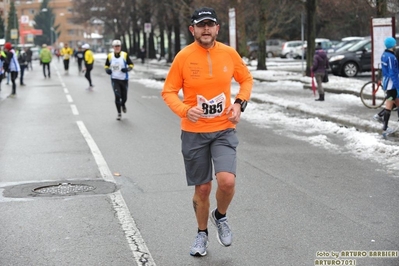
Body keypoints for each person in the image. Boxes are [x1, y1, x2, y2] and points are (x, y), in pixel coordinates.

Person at [161, 7, 253, 257]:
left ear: (217, 29)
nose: (206, 29)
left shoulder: (228, 53)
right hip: (194, 133)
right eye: (201, 25)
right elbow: (168, 91)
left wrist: (238, 104)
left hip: (223, 129)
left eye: (210, 24)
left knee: (227, 181)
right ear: (192, 29)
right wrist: (184, 110)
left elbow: (246, 80)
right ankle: (201, 233)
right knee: (202, 189)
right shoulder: (183, 57)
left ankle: (220, 216)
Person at [104, 39, 134, 120]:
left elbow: (131, 64)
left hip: (124, 79)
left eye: (118, 46)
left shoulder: (124, 55)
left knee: (124, 97)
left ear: (120, 47)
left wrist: (127, 69)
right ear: (113, 47)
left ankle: (123, 104)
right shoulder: (110, 56)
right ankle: (119, 113)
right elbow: (106, 65)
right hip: (115, 79)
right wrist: (107, 70)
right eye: (115, 46)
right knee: (117, 96)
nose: (117, 48)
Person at [379, 37, 399, 138]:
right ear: (392, 45)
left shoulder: (384, 55)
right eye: (394, 44)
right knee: (389, 105)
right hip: (392, 84)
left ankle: (385, 128)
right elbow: (392, 72)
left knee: (393, 103)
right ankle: (385, 129)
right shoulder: (391, 57)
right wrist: (397, 85)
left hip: (387, 82)